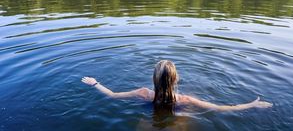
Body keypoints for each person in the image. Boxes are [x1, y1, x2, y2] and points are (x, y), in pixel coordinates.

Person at [81, 60, 272, 111]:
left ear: (154, 78)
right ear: (176, 80)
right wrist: (252, 105)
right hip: (177, 118)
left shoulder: (143, 93)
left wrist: (95, 83)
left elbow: (112, 95)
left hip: (149, 118)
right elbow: (221, 108)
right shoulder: (185, 99)